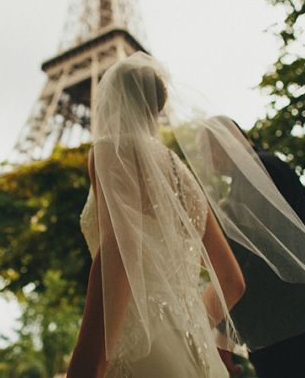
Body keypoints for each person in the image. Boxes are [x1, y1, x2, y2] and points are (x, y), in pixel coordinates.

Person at [69, 53, 246, 378]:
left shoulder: (111, 149)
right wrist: (186, 325)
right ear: (156, 108)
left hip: (138, 351)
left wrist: (89, 358)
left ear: (109, 102)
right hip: (196, 354)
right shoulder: (185, 178)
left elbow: (121, 251)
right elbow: (233, 282)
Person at [198, 116, 305, 378]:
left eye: (207, 154)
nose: (210, 165)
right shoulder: (264, 167)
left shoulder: (256, 173)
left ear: (222, 143)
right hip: (298, 327)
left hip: (292, 333)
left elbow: (254, 260)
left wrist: (221, 335)